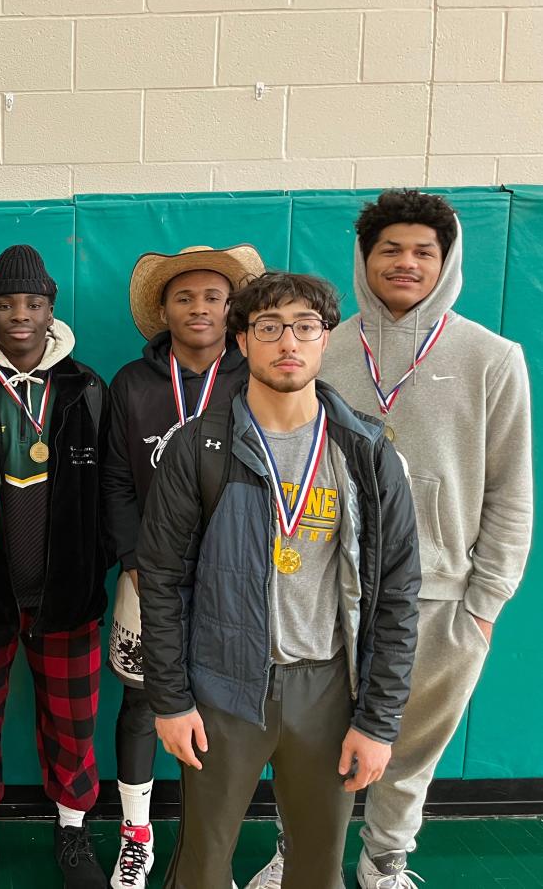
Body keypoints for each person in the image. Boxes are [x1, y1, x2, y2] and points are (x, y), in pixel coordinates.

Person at [247, 190, 533, 889]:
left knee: (409, 749)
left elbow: (511, 491)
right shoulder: (321, 349)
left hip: (440, 598)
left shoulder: (492, 358)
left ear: (447, 261)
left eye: (423, 251)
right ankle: (299, 854)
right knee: (310, 745)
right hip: (318, 593)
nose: (405, 263)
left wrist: (484, 603)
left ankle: (386, 861)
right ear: (364, 259)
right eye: (390, 249)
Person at [139, 271, 421, 889]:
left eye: (304, 327)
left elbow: (397, 594)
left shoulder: (367, 451)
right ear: (241, 340)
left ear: (327, 339)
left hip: (328, 686)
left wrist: (378, 721)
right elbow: (161, 582)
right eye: (268, 328)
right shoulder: (199, 449)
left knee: (319, 867)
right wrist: (172, 699)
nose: (287, 341)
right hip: (222, 687)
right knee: (203, 865)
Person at [0, 244, 111, 889]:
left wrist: (98, 565)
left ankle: (72, 828)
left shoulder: (87, 387)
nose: (19, 316)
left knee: (72, 716)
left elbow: (109, 488)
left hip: (66, 591)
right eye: (5, 305)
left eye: (32, 304)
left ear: (50, 309)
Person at [103, 245, 262, 888]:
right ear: (163, 310)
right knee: (142, 703)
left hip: (239, 576)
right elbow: (114, 480)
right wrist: (133, 560)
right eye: (184, 297)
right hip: (150, 574)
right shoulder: (132, 384)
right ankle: (136, 835)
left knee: (228, 709)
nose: (199, 308)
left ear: (233, 309)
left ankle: (206, 846)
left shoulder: (256, 378)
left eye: (213, 297)